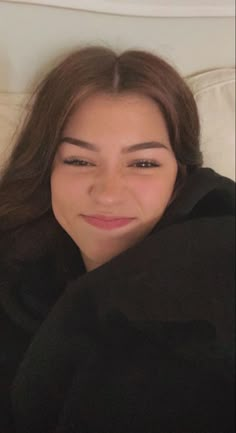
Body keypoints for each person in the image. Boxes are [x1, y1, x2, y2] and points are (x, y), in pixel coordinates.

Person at [0, 45, 234, 433]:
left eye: (143, 163)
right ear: (46, 171)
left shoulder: (219, 254)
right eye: (79, 160)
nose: (108, 193)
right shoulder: (17, 280)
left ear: (181, 174)